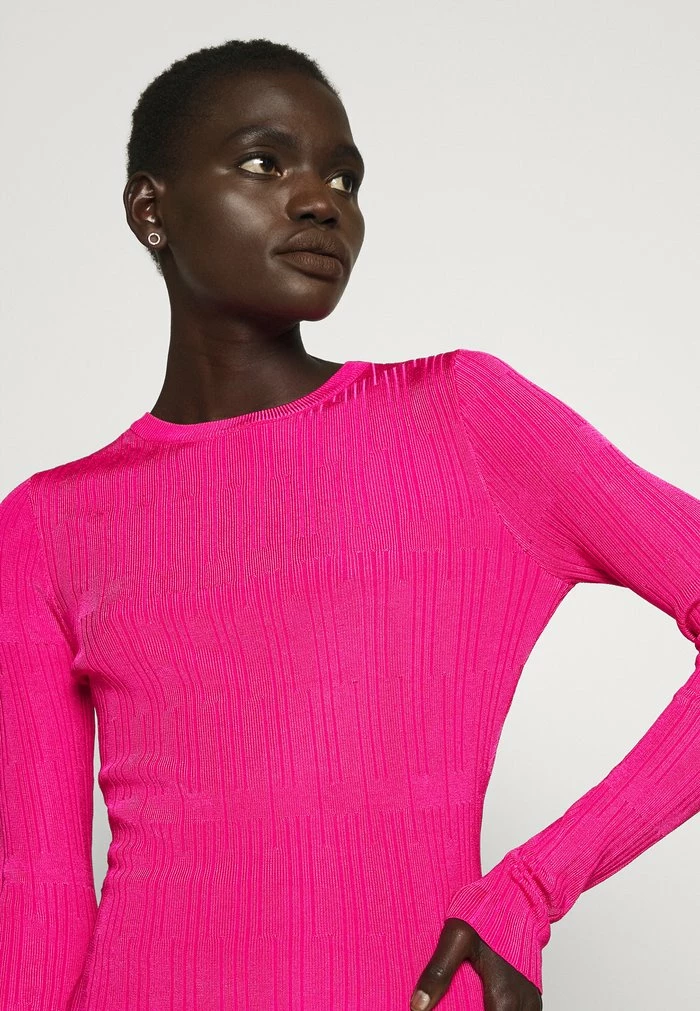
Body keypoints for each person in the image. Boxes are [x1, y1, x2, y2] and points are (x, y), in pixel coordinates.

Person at [0, 37, 699, 1011]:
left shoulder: (465, 421)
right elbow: (36, 888)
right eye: (264, 162)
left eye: (344, 178)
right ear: (150, 209)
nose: (322, 201)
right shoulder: (47, 523)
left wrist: (535, 885)